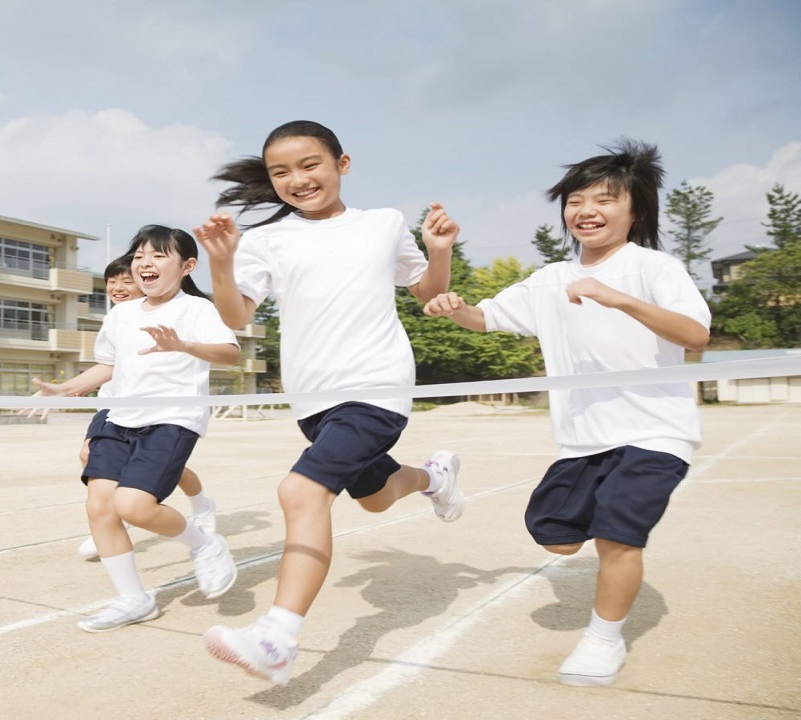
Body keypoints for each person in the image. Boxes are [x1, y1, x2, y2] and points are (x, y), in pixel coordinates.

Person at [423, 139, 710, 686]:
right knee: (554, 535)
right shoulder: (550, 279)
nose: (586, 211)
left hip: (656, 431)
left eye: (605, 199)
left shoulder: (655, 267)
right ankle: (603, 558)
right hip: (583, 438)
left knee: (618, 536)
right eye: (575, 200)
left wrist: (619, 297)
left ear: (635, 210)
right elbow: (486, 318)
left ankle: (604, 640)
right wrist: (456, 309)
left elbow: (696, 334)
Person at [193, 120, 464, 686]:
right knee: (375, 497)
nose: (298, 179)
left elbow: (428, 293)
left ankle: (278, 637)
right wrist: (220, 262)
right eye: (281, 172)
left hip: (376, 385)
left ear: (342, 164)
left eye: (310, 164)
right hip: (313, 400)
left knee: (300, 490)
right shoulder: (266, 239)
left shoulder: (383, 224)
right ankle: (434, 478)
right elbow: (237, 317)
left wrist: (439, 252)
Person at [35, 225, 241, 632]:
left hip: (171, 419)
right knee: (100, 507)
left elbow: (230, 353)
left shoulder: (197, 310)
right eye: (140, 255)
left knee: (134, 507)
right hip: (119, 418)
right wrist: (66, 387)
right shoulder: (122, 313)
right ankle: (134, 600)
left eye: (160, 255)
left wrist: (183, 346)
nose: (146, 263)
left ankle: (204, 544)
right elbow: (110, 365)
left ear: (187, 266)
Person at [74, 253, 218, 560]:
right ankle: (108, 524)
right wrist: (71, 387)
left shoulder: (178, 314)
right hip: (115, 407)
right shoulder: (117, 317)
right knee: (90, 453)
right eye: (111, 281)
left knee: (165, 471)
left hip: (161, 411)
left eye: (127, 280)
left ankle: (200, 504)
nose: (118, 287)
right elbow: (107, 364)